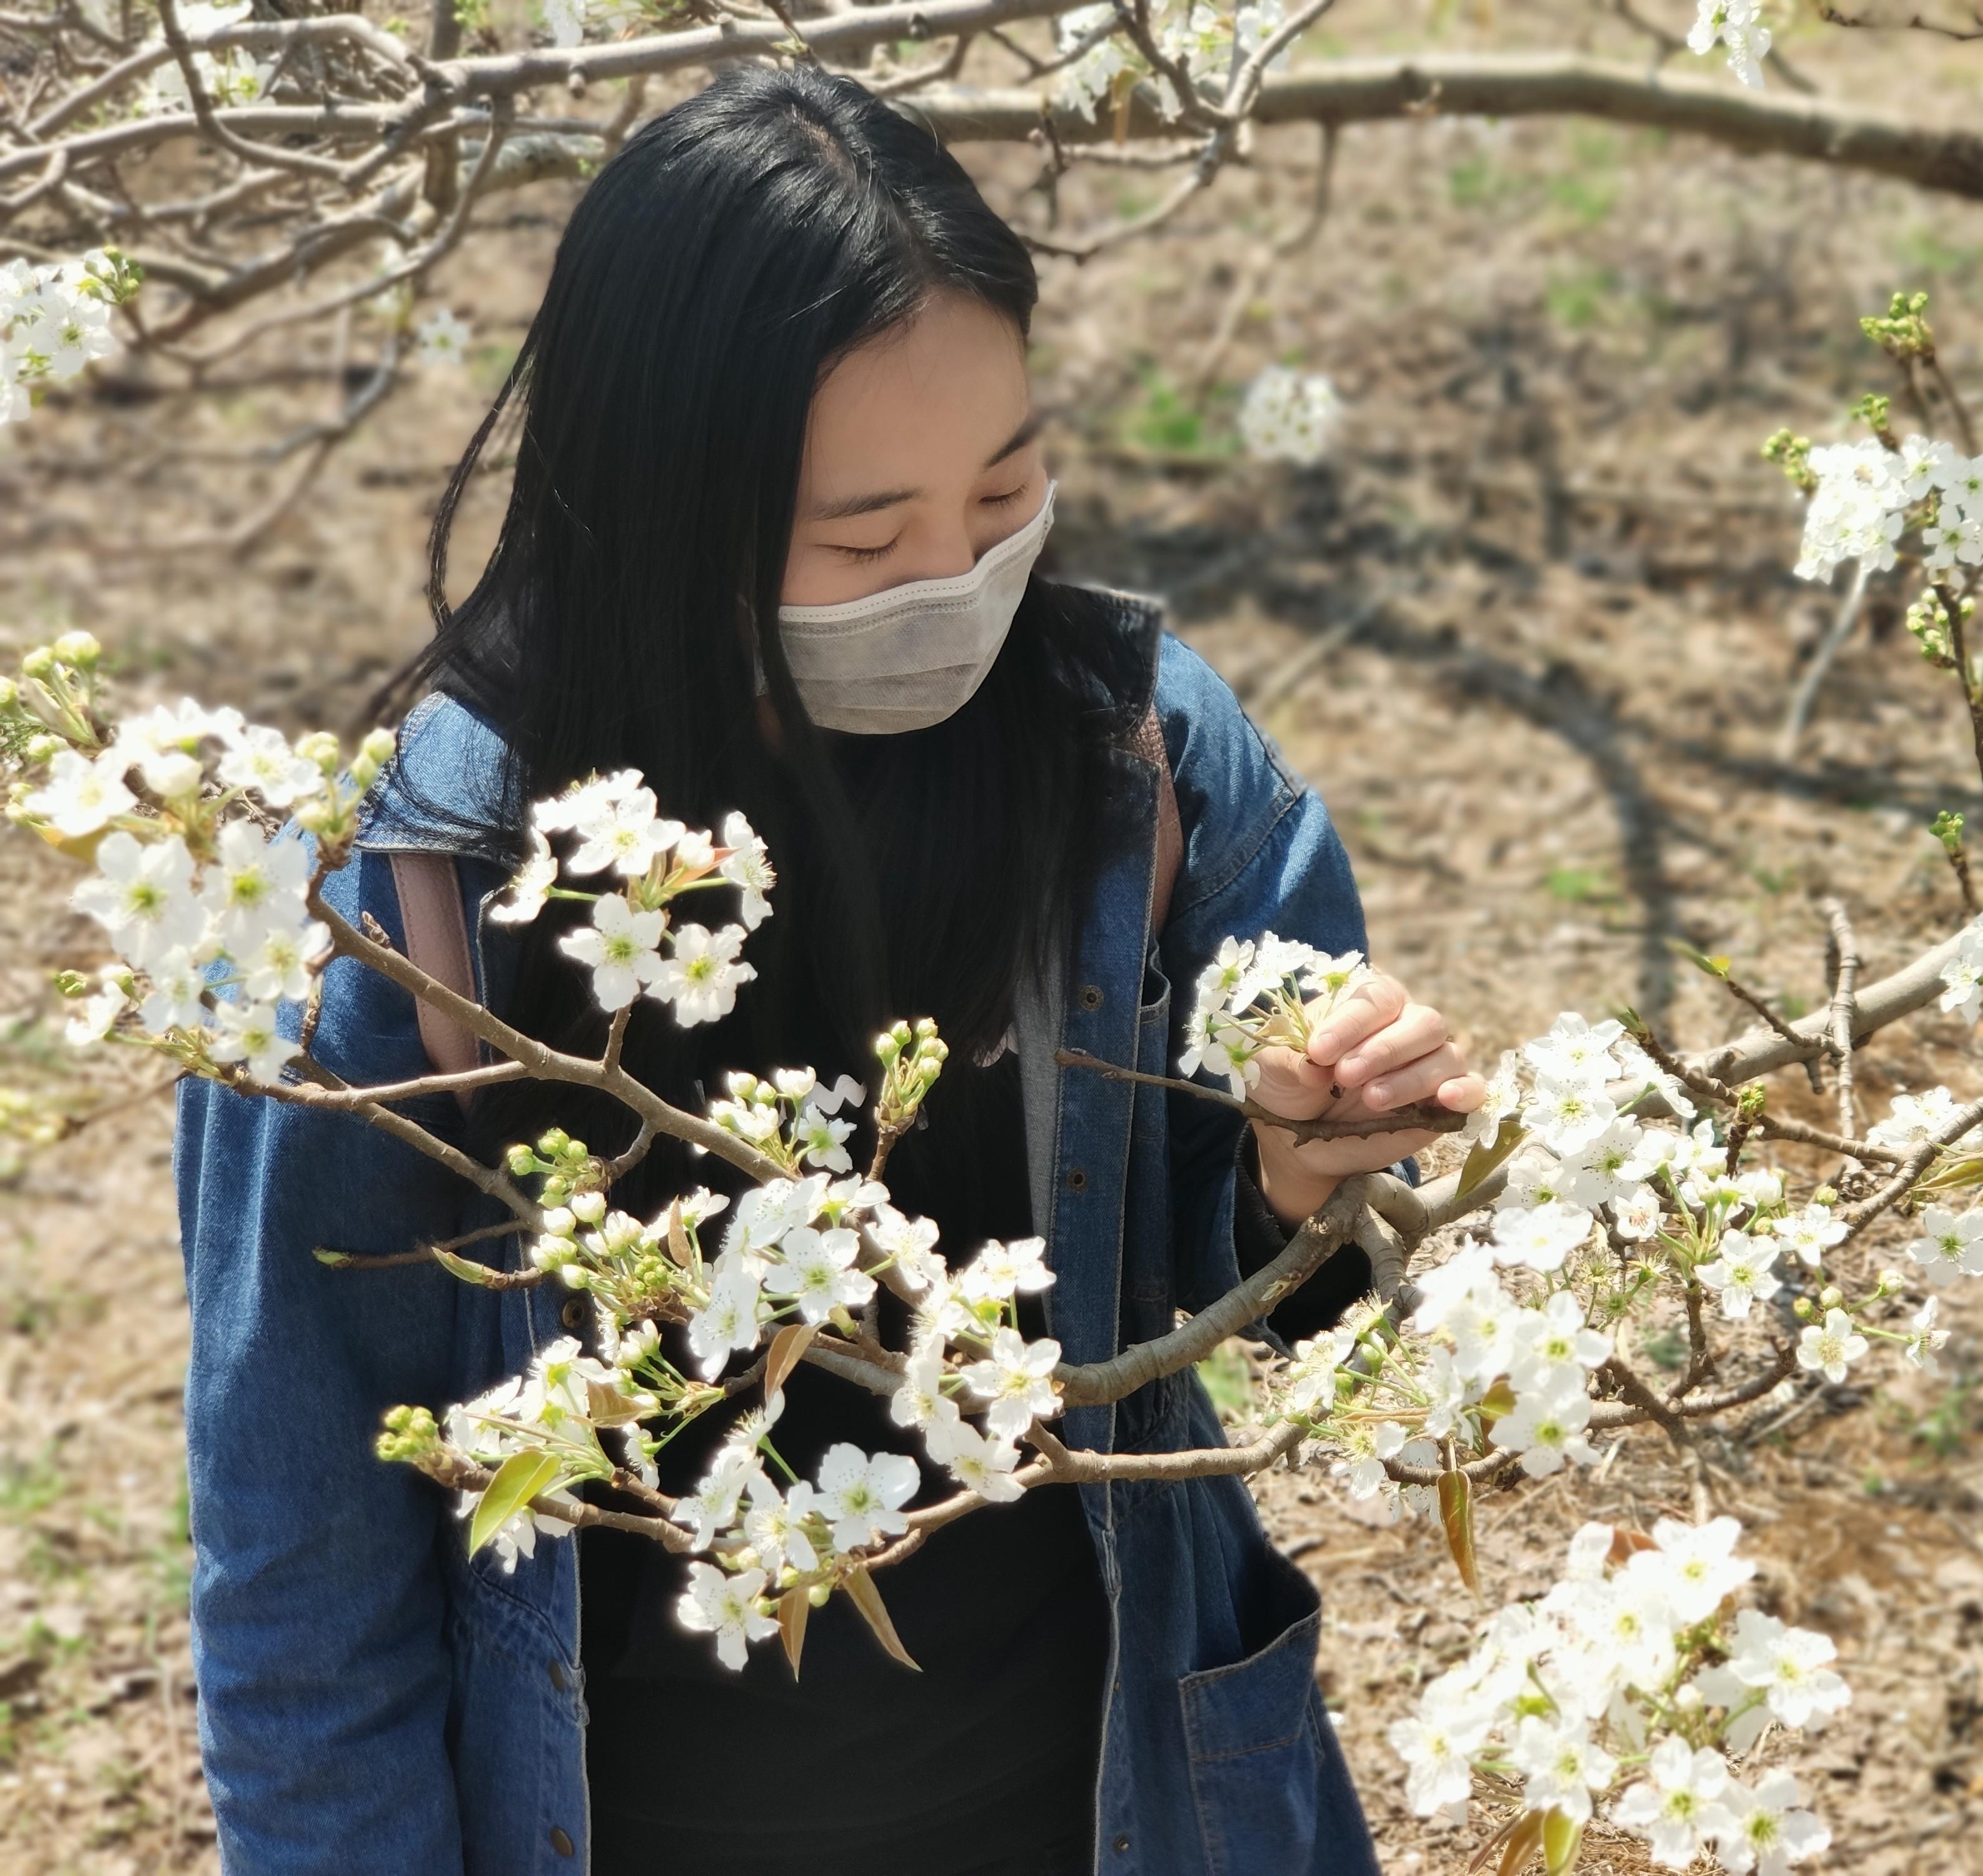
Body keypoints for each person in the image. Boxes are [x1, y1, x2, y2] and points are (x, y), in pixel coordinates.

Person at [174, 65, 1485, 1876]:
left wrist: (1301, 1169)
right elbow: (303, 1571)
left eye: (1007, 487)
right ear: (661, 507)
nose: (955, 576)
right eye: (864, 539)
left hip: (1110, 1807)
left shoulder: (1139, 767)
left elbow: (1251, 1299)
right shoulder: (410, 911)